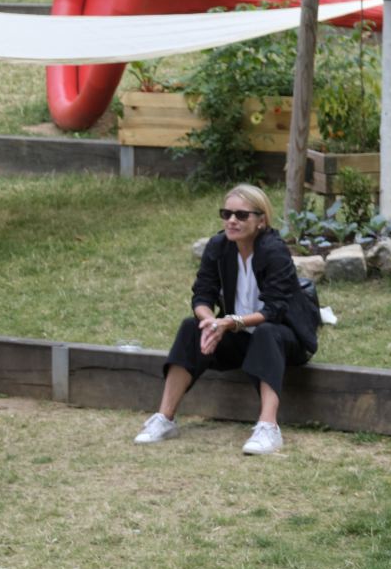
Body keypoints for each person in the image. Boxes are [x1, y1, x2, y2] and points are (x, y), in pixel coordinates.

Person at [134, 183, 319, 455]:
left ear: (261, 220)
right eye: (227, 213)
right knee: (191, 327)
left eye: (242, 215)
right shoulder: (219, 246)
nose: (232, 220)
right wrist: (210, 322)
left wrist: (230, 323)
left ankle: (269, 427)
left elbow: (275, 310)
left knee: (267, 331)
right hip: (239, 336)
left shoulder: (274, 250)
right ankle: (165, 418)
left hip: (284, 339)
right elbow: (202, 295)